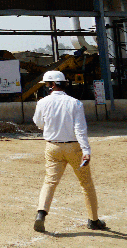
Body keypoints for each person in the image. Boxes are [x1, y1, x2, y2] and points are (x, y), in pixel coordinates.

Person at [32, 70, 107, 232]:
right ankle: (93, 220)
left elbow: (38, 123)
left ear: (52, 85)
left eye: (47, 84)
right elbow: (80, 129)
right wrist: (86, 150)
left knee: (50, 182)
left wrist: (50, 127)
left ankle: (41, 213)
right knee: (86, 184)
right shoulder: (75, 103)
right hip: (73, 147)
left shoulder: (42, 102)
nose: (46, 87)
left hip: (52, 146)